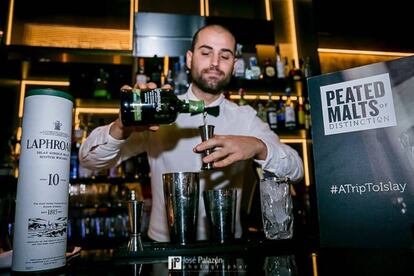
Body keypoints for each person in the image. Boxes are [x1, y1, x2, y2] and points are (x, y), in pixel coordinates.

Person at [79, 24, 304, 242]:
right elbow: (89, 161)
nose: (215, 63)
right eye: (206, 53)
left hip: (227, 248)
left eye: (225, 56)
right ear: (189, 59)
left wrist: (258, 146)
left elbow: (296, 169)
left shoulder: (245, 118)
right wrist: (122, 126)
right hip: (166, 250)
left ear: (234, 65)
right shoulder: (159, 113)